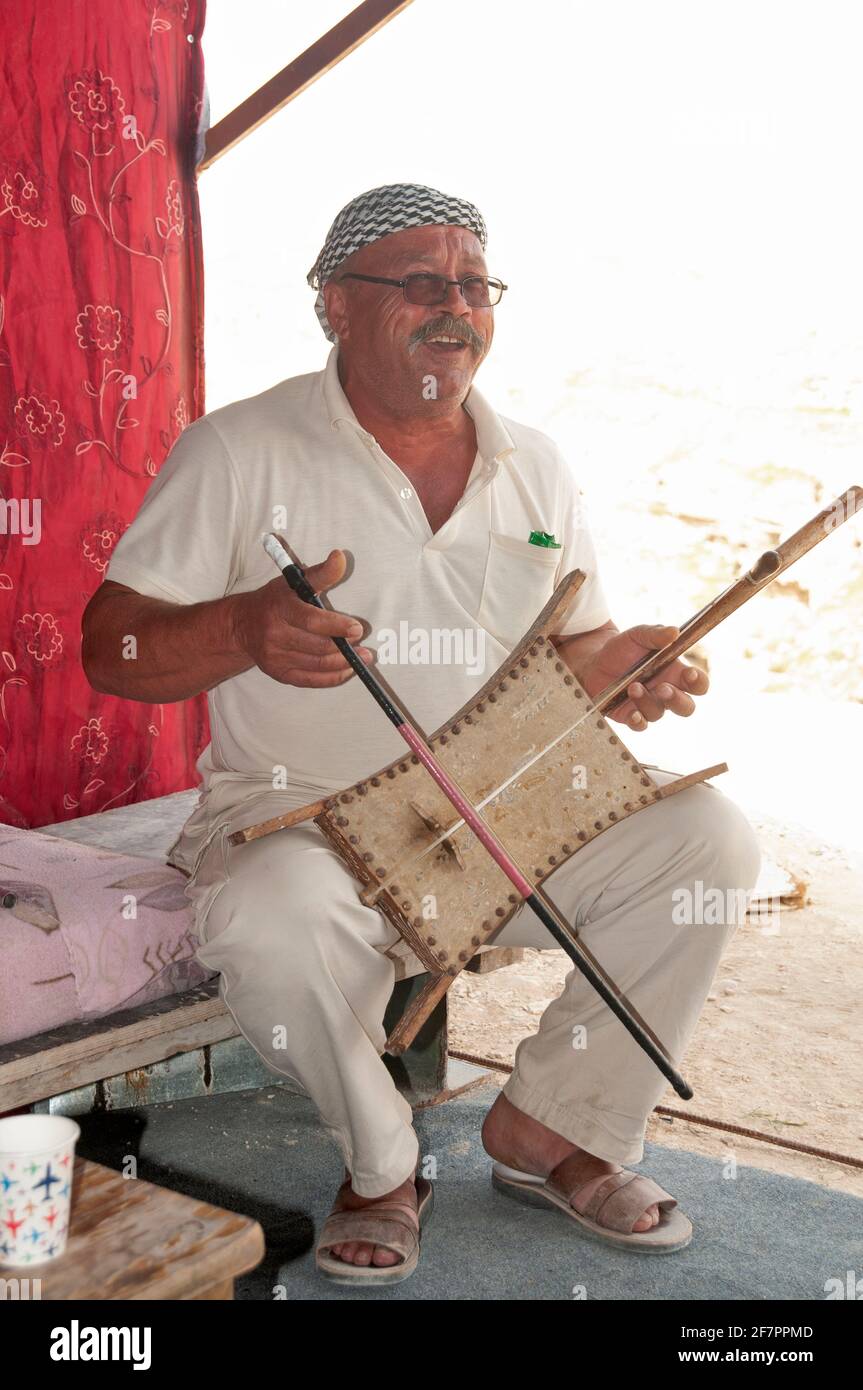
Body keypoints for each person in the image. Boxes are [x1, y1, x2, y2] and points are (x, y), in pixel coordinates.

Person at [82, 183, 761, 1285]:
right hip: (306, 817)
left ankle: (550, 1129)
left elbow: (566, 652)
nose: (455, 306)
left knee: (710, 838)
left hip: (504, 809)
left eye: (473, 284)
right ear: (333, 305)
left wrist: (621, 668)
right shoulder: (239, 448)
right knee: (268, 917)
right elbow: (106, 650)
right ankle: (383, 1160)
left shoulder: (533, 461)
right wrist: (246, 627)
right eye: (418, 283)